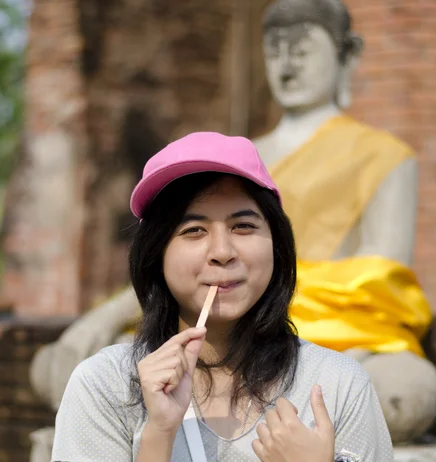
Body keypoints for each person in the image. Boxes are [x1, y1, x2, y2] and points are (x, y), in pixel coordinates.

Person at [51, 132, 393, 461]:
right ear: (156, 255)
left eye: (243, 226)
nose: (222, 251)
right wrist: (158, 434)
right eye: (194, 230)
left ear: (277, 245)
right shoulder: (105, 386)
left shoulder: (338, 386)